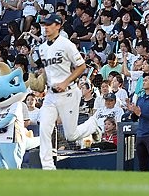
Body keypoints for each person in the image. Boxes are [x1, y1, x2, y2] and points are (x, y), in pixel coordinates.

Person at [34, 14, 101, 170]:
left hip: (69, 93)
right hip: (51, 95)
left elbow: (82, 66)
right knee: (44, 128)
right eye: (44, 25)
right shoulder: (42, 48)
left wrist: (65, 82)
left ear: (58, 26)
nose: (46, 27)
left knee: (71, 135)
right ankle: (48, 169)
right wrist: (39, 80)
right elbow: (49, 71)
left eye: (49, 24)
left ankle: (93, 125)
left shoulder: (66, 44)